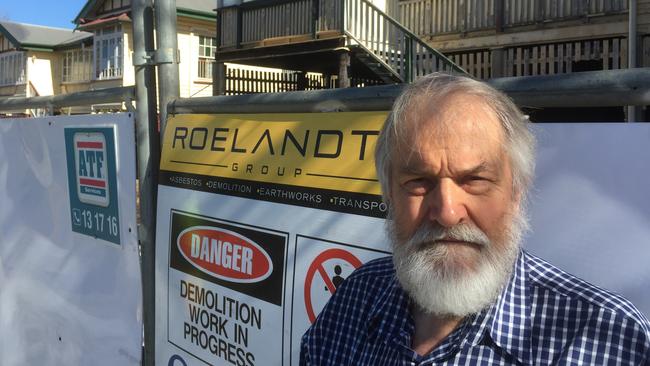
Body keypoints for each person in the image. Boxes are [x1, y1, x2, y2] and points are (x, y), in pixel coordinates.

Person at [300, 73, 650, 365]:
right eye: (418, 182)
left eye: (475, 180)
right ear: (389, 195)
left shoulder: (606, 337)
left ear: (516, 192)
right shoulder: (355, 298)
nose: (448, 213)